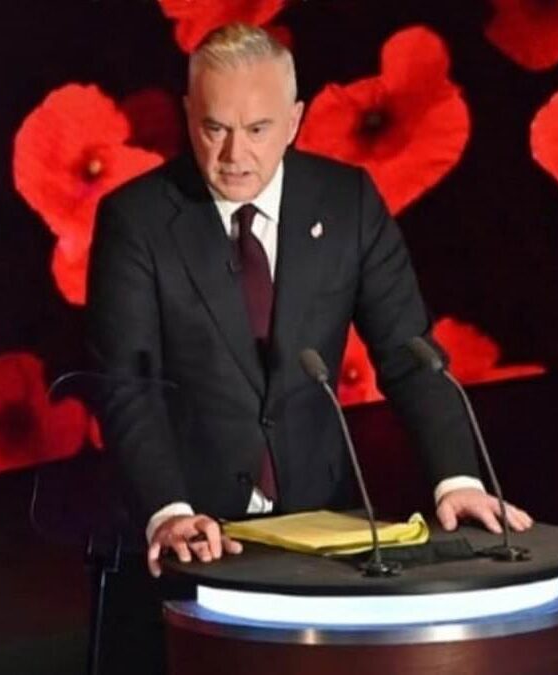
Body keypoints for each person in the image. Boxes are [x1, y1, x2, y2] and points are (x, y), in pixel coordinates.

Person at [86, 23, 532, 578]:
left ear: (295, 121)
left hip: (327, 525)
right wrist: (169, 513)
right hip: (197, 536)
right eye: (214, 128)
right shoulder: (138, 220)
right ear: (186, 113)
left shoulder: (349, 202)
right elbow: (130, 387)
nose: (234, 153)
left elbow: (409, 354)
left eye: (257, 128)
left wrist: (457, 479)